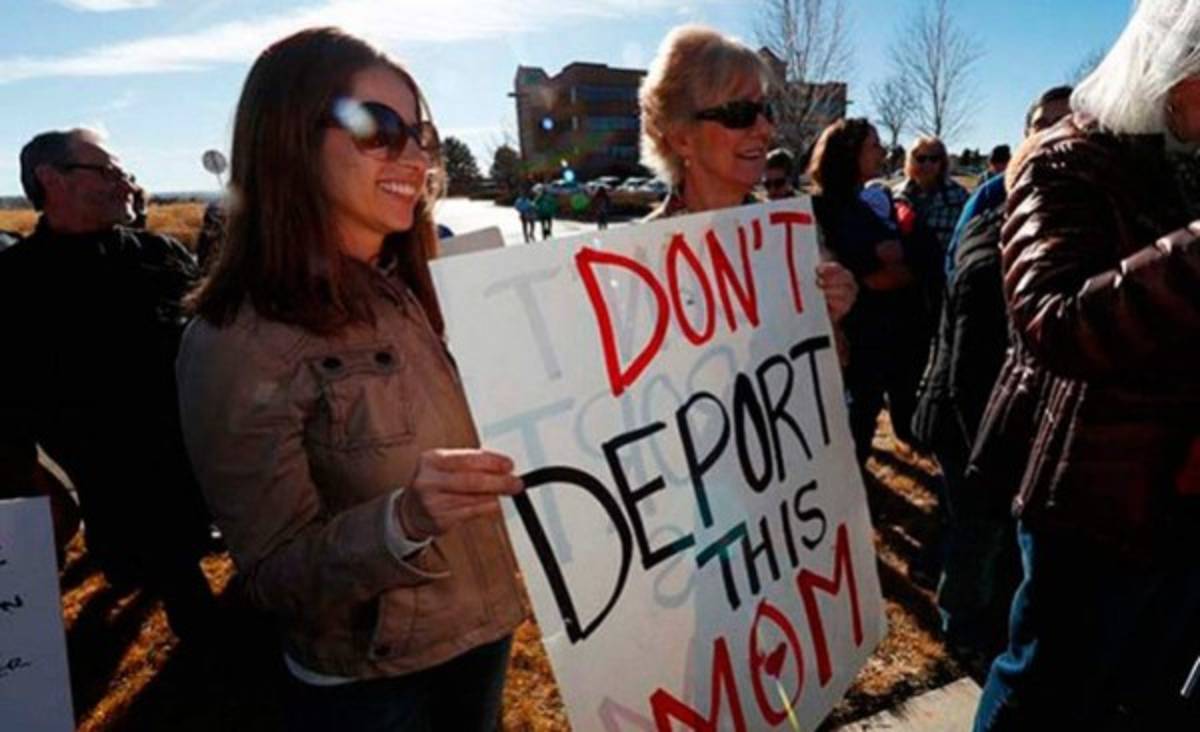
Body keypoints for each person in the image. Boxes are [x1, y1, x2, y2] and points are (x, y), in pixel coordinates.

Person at [175, 27, 526, 731]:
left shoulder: (430, 283)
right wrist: (404, 521)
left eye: (420, 132)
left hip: (485, 631)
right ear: (289, 142)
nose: (416, 156)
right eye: (378, 129)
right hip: (371, 687)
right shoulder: (236, 341)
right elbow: (273, 573)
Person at [970, 1, 1200, 727]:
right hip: (1096, 494)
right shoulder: (1069, 157)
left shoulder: (1184, 166)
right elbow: (1054, 319)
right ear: (1172, 72)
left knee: (1142, 691)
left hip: (1182, 494)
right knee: (1046, 691)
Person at [0, 128, 216, 640]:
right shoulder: (14, 283)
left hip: (195, 455)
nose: (127, 183)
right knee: (170, 572)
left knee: (168, 555)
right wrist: (31, 479)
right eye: (109, 171)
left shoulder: (159, 254)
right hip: (109, 474)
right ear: (51, 180)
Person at [910, 85, 1074, 656]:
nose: (1057, 141)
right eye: (1044, 128)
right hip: (971, 424)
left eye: (1071, 128)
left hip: (1008, 428)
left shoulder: (1066, 224)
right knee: (975, 535)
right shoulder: (994, 220)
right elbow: (968, 366)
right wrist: (999, 452)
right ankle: (964, 636)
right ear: (1025, 140)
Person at [639, 25, 857, 324]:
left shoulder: (789, 239)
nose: (766, 129)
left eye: (766, 110)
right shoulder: (639, 261)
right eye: (739, 113)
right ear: (681, 138)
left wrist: (830, 314)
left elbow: (817, 360)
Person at [806, 119, 934, 468]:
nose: (882, 152)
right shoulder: (827, 207)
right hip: (855, 339)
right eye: (873, 145)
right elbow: (878, 276)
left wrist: (899, 259)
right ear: (849, 154)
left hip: (881, 336)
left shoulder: (862, 203)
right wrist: (906, 264)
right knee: (854, 422)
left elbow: (896, 258)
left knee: (866, 411)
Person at [942, 86, 1073, 281]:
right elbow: (955, 266)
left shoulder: (1110, 191)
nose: (1050, 133)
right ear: (1026, 134)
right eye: (1041, 125)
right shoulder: (991, 195)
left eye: (1063, 122)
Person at [893, 136, 969, 257]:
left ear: (942, 162)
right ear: (911, 161)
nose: (927, 164)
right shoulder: (896, 195)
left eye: (934, 159)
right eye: (921, 159)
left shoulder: (959, 196)